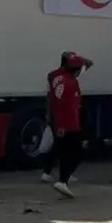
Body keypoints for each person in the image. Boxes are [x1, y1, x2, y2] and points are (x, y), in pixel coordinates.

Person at [42, 51, 92, 197]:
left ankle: (60, 177)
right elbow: (69, 106)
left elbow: (52, 99)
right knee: (77, 152)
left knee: (61, 149)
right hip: (69, 123)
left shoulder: (56, 77)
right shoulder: (71, 83)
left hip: (58, 120)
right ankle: (63, 179)